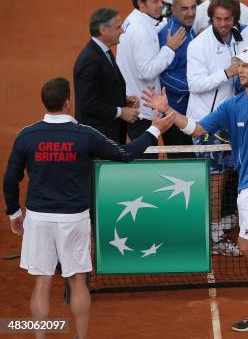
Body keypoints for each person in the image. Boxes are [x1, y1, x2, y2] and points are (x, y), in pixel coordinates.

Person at [143, 46, 248, 334]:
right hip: (246, 186)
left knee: (247, 245)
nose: (240, 70)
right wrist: (168, 110)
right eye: (239, 65)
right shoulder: (233, 105)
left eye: (246, 65)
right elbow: (196, 129)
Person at [3, 77, 174, 339]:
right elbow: (125, 154)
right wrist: (154, 130)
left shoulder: (27, 135)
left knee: (42, 282)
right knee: (77, 281)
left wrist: (14, 213)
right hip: (74, 219)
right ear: (68, 103)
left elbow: (10, 179)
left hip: (38, 219)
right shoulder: (84, 135)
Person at [187, 0, 246, 256]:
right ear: (211, 18)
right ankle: (211, 234)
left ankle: (215, 227)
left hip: (231, 122)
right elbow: (195, 84)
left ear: (234, 19)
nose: (222, 24)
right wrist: (226, 73)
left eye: (227, 19)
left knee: (225, 179)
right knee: (214, 179)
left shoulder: (238, 40)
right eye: (218, 19)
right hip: (207, 124)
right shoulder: (199, 46)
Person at [116, 0, 186, 143]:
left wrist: (165, 24)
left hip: (138, 106)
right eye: (155, 1)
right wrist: (169, 48)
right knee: (147, 161)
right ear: (141, 3)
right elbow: (146, 71)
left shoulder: (134, 20)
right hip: (143, 111)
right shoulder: (141, 32)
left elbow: (150, 30)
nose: (161, 4)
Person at [73, 8, 139, 143]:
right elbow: (87, 102)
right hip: (98, 139)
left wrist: (123, 99)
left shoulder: (104, 52)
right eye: (118, 27)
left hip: (107, 136)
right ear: (103, 30)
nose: (122, 31)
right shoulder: (90, 60)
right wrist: (121, 112)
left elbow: (102, 89)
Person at [158, 0, 198, 155]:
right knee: (183, 161)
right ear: (173, 10)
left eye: (193, 7)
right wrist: (195, 87)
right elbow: (163, 77)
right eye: (184, 9)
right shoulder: (169, 35)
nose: (191, 13)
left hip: (189, 112)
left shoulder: (189, 29)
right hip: (173, 114)